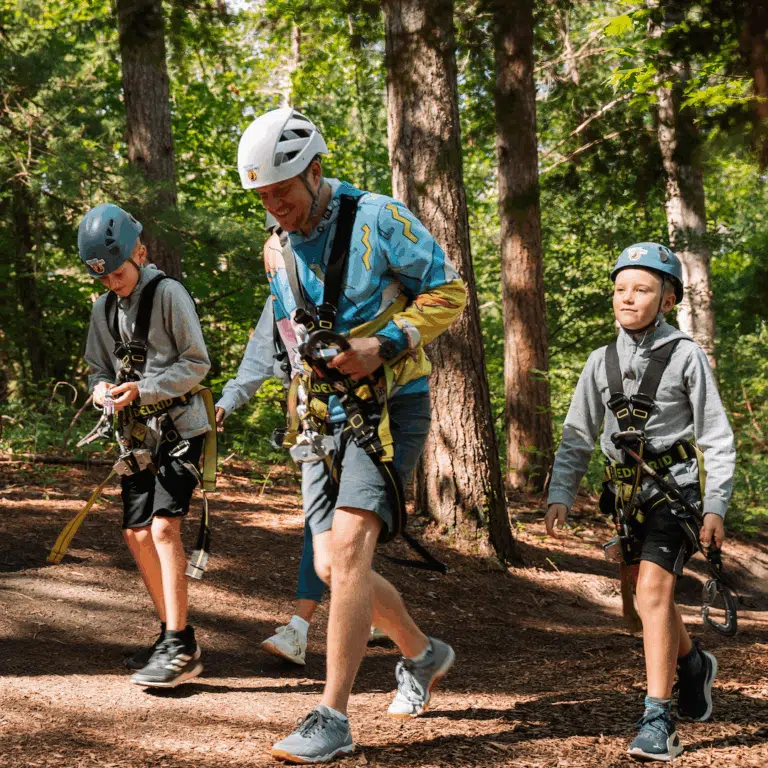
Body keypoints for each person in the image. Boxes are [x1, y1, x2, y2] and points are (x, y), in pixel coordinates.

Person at [237, 107, 467, 763]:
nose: (274, 206)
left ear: (314, 171)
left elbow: (450, 293)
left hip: (391, 405)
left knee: (349, 546)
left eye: (282, 191)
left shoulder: (381, 218)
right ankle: (423, 653)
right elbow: (289, 333)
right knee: (329, 564)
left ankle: (332, 716)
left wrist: (384, 342)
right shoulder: (277, 249)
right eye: (262, 196)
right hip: (322, 417)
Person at [544, 243, 735, 762]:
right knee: (649, 604)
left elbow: (717, 437)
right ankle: (693, 664)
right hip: (625, 501)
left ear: (667, 299)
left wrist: (715, 505)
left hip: (675, 493)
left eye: (642, 289)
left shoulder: (686, 356)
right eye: (620, 289)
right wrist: (561, 492)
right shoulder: (599, 361)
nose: (628, 298)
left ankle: (658, 718)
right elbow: (577, 435)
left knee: (652, 592)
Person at [215, 231, 386, 667]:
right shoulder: (277, 306)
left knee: (331, 524)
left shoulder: (342, 293)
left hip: (360, 420)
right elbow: (255, 363)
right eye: (271, 261)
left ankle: (300, 628)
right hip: (310, 426)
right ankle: (369, 612)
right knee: (325, 525)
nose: (277, 268)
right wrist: (226, 403)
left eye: (282, 259)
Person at [80, 203, 212, 688]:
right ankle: (174, 634)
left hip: (180, 429)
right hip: (134, 437)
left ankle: (177, 645)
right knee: (136, 534)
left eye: (117, 272)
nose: (111, 283)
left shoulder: (168, 294)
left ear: (139, 252)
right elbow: (97, 368)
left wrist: (145, 390)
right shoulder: (103, 308)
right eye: (102, 277)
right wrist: (101, 389)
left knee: (163, 528)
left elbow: (197, 363)